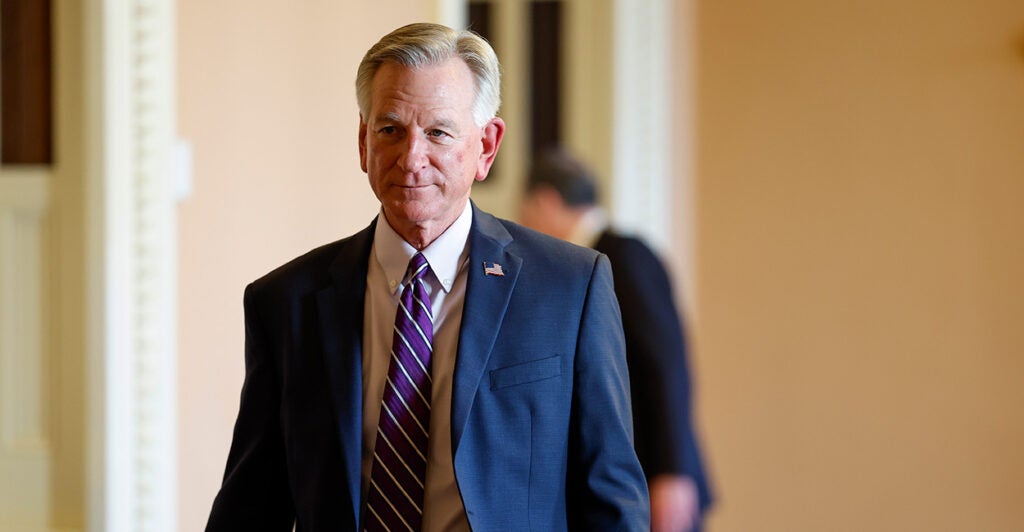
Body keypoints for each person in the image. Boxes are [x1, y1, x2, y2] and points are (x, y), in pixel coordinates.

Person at [206, 23, 648, 531]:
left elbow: (611, 500)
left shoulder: (570, 288)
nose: (411, 158)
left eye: (438, 132)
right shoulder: (286, 303)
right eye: (390, 129)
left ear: (486, 146)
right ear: (362, 142)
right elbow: (251, 505)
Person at [520, 147, 714, 532]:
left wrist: (670, 471)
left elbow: (665, 361)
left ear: (545, 202)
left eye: (525, 211)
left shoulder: (623, 255)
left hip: (655, 477)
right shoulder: (588, 262)